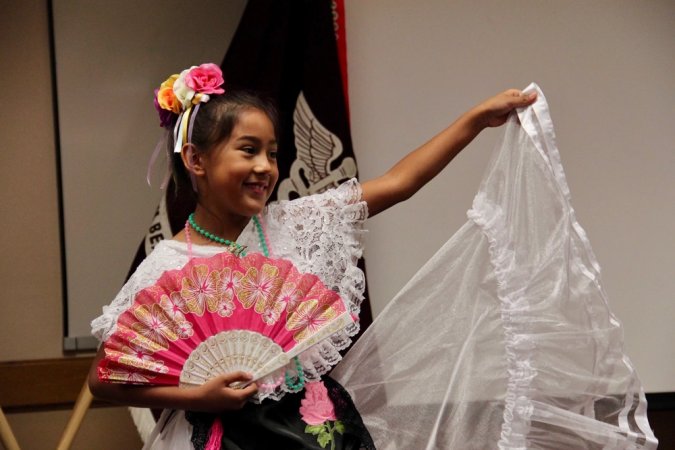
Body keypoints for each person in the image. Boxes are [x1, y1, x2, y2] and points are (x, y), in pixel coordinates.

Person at [88, 62, 536, 449]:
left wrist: (476, 120)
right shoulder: (168, 265)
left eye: (273, 153)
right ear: (196, 160)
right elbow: (103, 380)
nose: (265, 166)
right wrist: (198, 398)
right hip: (217, 436)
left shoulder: (295, 224)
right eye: (248, 150)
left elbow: (400, 183)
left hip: (306, 430)